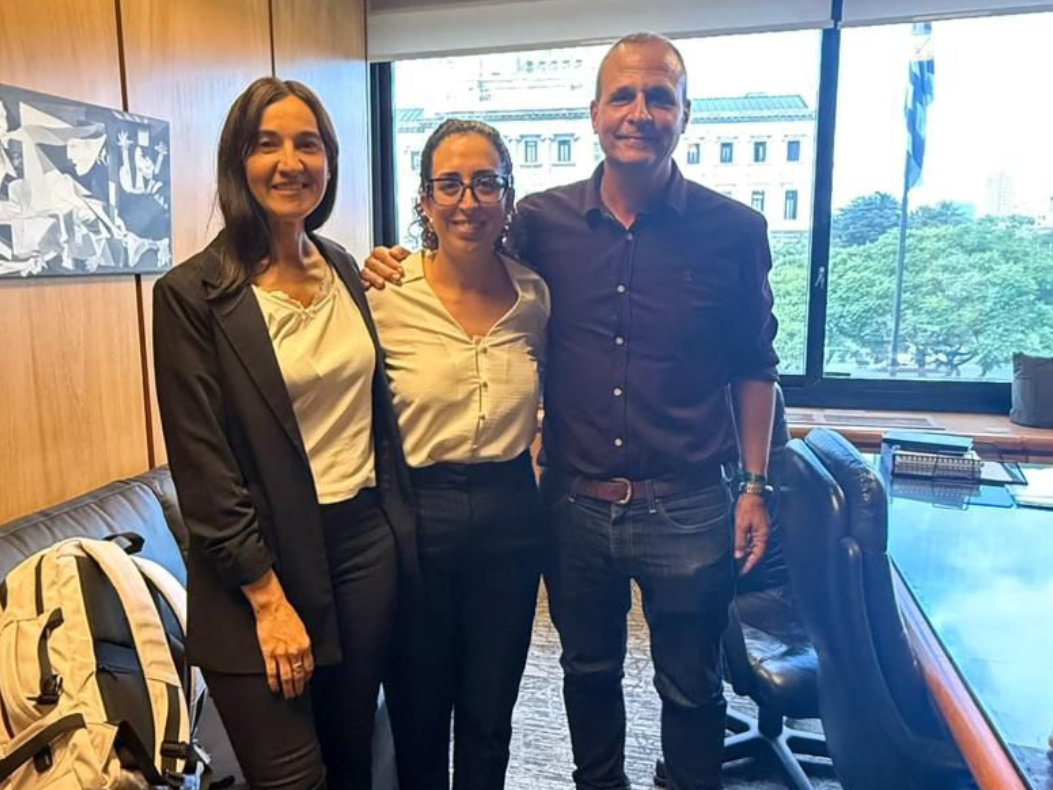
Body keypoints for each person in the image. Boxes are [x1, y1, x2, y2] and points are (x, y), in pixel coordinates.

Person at [364, 32, 778, 790]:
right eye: (622, 95)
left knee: (690, 687)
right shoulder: (541, 227)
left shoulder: (734, 231)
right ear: (593, 113)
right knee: (586, 675)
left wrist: (754, 485)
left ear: (685, 115)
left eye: (659, 96)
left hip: (688, 500)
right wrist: (382, 259)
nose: (639, 112)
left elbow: (755, 368)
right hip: (573, 505)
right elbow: (463, 249)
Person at [153, 77, 417, 790]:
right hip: (255, 574)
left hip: (362, 551)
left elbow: (375, 414)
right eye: (266, 143)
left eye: (307, 143)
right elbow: (202, 467)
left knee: (352, 761)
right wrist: (268, 599)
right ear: (237, 160)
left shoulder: (341, 269)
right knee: (294, 780)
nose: (289, 161)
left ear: (329, 161)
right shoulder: (192, 296)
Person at [368, 119, 549, 790]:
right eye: (448, 184)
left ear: (506, 195)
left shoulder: (534, 296)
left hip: (510, 513)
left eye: (484, 183)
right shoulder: (382, 293)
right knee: (418, 710)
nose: (467, 201)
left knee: (489, 711)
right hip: (416, 514)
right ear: (423, 200)